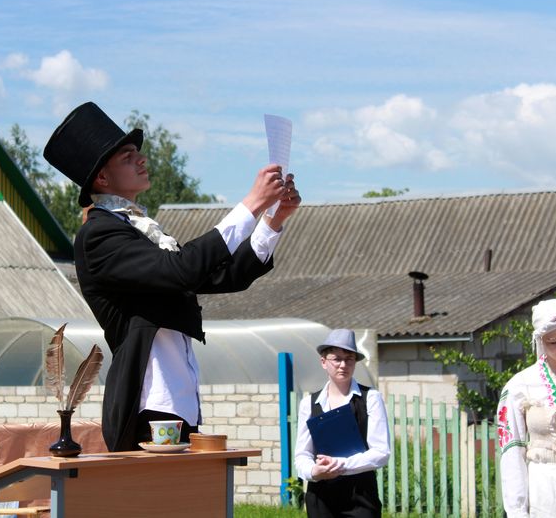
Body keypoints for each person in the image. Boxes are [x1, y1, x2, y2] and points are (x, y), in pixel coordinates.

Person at [43, 102, 301, 452]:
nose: (142, 159)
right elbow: (183, 270)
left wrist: (272, 219)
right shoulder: (99, 236)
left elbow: (223, 276)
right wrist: (250, 204)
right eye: (128, 156)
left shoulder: (138, 229)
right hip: (147, 401)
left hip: (177, 400)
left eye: (139, 153)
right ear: (102, 178)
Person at [496, 298, 556, 518]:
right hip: (543, 492)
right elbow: (512, 452)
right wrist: (516, 510)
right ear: (540, 341)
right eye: (554, 341)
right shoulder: (519, 386)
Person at [294, 329, 390, 518]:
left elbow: (381, 452)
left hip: (360, 495)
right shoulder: (309, 403)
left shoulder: (370, 398)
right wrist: (314, 471)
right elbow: (302, 454)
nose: (343, 365)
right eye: (336, 359)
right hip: (320, 496)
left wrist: (339, 464)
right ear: (323, 362)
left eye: (349, 359)